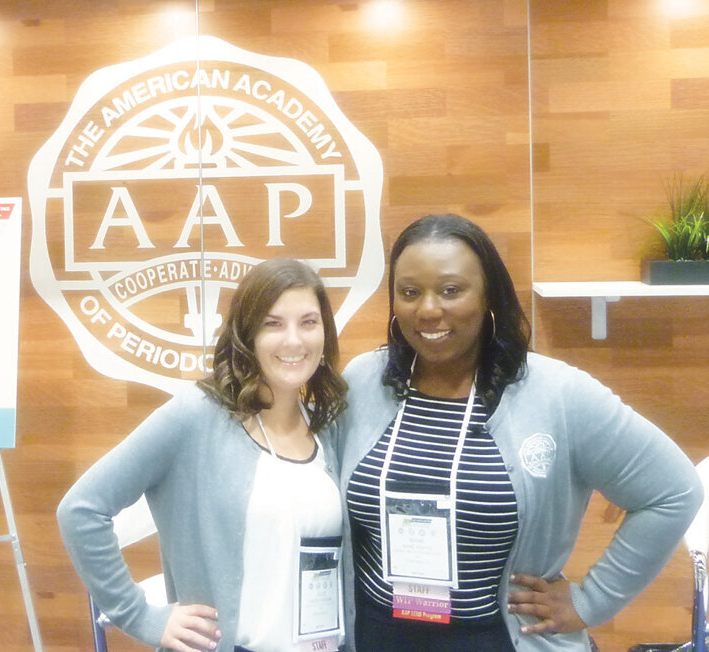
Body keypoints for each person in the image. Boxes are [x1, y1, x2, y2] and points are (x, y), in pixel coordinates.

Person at [336, 214, 703, 651]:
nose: (428, 309)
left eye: (451, 290)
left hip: (499, 639)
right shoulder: (364, 381)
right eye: (410, 292)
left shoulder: (556, 393)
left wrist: (593, 600)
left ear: (488, 295)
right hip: (379, 635)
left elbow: (675, 491)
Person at [57, 257, 349, 652]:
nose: (294, 340)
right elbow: (81, 509)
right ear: (247, 334)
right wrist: (139, 615)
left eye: (308, 322)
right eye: (273, 324)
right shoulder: (197, 415)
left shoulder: (325, 425)